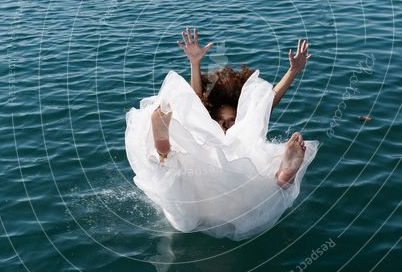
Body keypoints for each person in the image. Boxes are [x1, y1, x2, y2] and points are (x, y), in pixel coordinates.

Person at [124, 29, 319, 240]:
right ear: (211, 115)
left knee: (182, 213)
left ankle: (165, 154)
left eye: (231, 120)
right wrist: (195, 64)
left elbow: (266, 106)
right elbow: (195, 103)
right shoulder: (208, 125)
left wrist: (293, 71)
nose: (225, 124)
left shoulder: (242, 130)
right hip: (218, 190)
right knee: (186, 158)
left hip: (220, 189)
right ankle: (280, 182)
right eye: (221, 120)